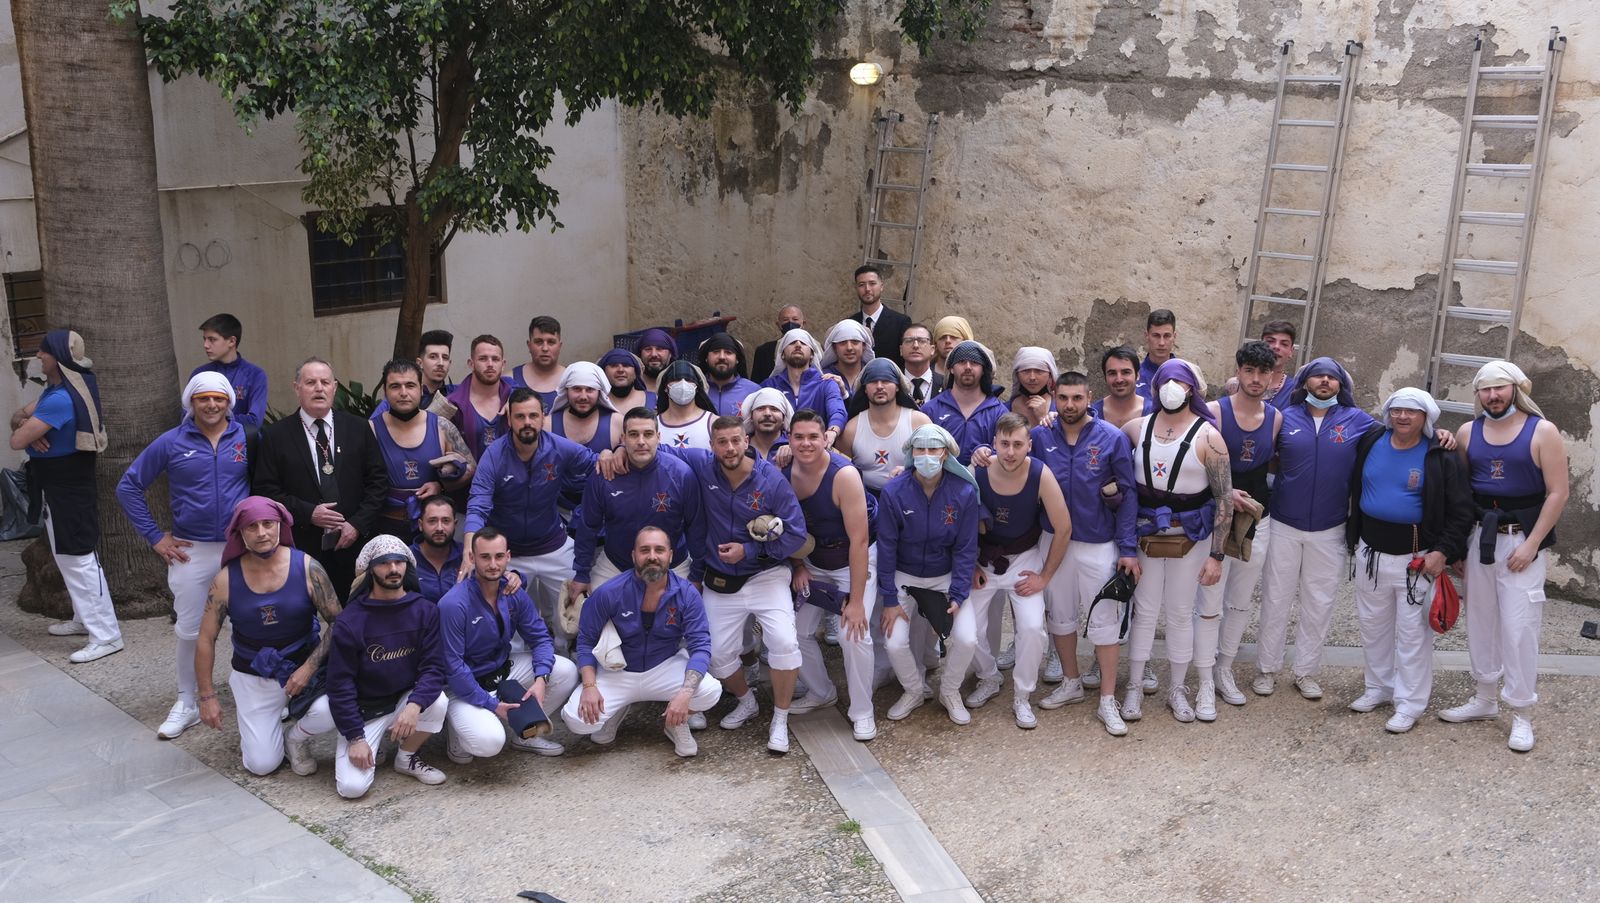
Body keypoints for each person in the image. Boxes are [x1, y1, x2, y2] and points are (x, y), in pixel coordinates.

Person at [1441, 361, 1569, 752]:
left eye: (1500, 388)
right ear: (1477, 395)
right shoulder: (1468, 431)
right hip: (1480, 539)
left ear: (1515, 389)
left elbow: (1557, 492)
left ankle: (1522, 713)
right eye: (1485, 390)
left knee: (1519, 628)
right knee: (1481, 620)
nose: (1493, 396)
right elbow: (1460, 492)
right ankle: (1484, 698)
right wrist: (1457, 548)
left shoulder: (1542, 431)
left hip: (1521, 542)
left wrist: (1531, 546)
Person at [116, 372, 251, 738]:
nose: (211, 405)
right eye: (203, 398)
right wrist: (155, 537)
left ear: (228, 403)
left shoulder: (247, 437)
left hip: (242, 548)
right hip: (192, 552)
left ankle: (252, 696)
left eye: (219, 399)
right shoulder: (171, 442)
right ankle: (187, 701)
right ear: (192, 402)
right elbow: (128, 486)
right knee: (191, 630)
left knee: (250, 624)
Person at [1345, 389, 1473, 734]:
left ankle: (1410, 703)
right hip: (1370, 553)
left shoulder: (1440, 454)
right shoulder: (1371, 440)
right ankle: (1379, 688)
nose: (1403, 417)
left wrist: (1443, 552)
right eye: (1397, 410)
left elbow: (1461, 511)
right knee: (1373, 627)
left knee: (1413, 635)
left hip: (1417, 560)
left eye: (1411, 412)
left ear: (1427, 417)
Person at [1254, 357, 1382, 700]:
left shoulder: (1358, 421)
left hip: (1330, 528)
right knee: (1275, 599)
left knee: (1319, 602)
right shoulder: (1283, 417)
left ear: (1342, 385)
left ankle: (1306, 671)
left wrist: (1439, 433)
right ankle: (1267, 668)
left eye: (1332, 377)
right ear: (1304, 382)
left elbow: (1401, 436)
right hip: (1283, 523)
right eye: (1317, 376)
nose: (1324, 381)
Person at [684, 416, 809, 753]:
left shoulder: (770, 480)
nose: (730, 448)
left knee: (783, 642)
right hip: (720, 579)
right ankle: (747, 702)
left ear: (746, 439)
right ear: (711, 446)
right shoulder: (701, 465)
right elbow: (659, 449)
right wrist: (617, 451)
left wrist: (750, 550)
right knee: (717, 653)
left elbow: (796, 535)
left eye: (736, 440)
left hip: (766, 574)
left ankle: (780, 719)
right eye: (722, 442)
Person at [289, 536, 450, 797]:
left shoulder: (425, 611)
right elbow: (340, 684)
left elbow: (433, 668)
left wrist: (414, 705)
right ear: (369, 569)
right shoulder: (350, 620)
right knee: (351, 789)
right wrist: (355, 738)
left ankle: (406, 757)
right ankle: (296, 738)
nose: (394, 569)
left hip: (402, 702)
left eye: (400, 562)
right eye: (384, 563)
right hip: (363, 710)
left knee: (438, 701)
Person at [196, 497, 342, 776]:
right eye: (252, 526)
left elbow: (339, 622)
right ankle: (265, 727)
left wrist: (309, 668)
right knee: (262, 765)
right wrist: (206, 697)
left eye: (268, 524)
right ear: (239, 533)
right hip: (254, 674)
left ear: (281, 526)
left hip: (304, 671)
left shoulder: (309, 568)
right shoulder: (225, 580)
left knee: (332, 709)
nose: (261, 532)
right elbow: (205, 638)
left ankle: (295, 737)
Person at [1121, 359, 1232, 724]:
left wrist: (1216, 554)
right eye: (1165, 380)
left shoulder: (1210, 437)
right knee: (1145, 612)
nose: (1172, 387)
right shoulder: (1135, 429)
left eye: (1180, 382)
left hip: (1192, 537)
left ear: (1192, 389)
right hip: (1145, 534)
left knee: (1182, 613)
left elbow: (1224, 500)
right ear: (1155, 388)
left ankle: (1177, 689)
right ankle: (1134, 687)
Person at [1030, 372, 1139, 736]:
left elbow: (1128, 496)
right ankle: (1071, 681)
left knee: (1105, 620)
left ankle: (1108, 698)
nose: (1070, 405)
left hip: (1098, 543)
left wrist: (1127, 548)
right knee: (1060, 615)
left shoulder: (1112, 438)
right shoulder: (1039, 437)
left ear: (1090, 397)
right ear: (1053, 398)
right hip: (1053, 542)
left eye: (1077, 398)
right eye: (1063, 398)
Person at [562, 527, 722, 757]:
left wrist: (685, 695)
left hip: (663, 666)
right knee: (576, 720)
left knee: (710, 691)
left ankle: (674, 720)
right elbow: (585, 642)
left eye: (659, 550)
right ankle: (617, 709)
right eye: (644, 550)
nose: (652, 556)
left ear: (670, 555)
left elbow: (700, 646)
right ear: (634, 556)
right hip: (618, 671)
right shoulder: (609, 592)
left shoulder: (687, 594)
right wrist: (589, 686)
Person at [11, 330, 120, 661]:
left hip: (68, 486)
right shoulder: (56, 390)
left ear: (57, 357)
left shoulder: (59, 399)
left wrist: (28, 435)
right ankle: (84, 619)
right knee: (65, 555)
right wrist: (28, 431)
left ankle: (107, 635)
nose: (38, 358)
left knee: (80, 559)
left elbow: (15, 440)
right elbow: (18, 418)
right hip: (56, 484)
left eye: (42, 353)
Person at [462, 388, 597, 653]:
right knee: (511, 624)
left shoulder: (558, 447)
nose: (527, 422)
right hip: (510, 554)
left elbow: (594, 463)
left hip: (552, 545)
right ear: (509, 419)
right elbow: (478, 502)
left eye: (533, 416)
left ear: (543, 418)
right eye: (520, 416)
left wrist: (606, 455)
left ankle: (567, 663)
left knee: (573, 613)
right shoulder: (495, 455)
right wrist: (469, 546)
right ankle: (518, 673)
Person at [963, 413, 1071, 729]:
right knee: (968, 631)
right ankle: (988, 676)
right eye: (1005, 444)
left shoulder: (1040, 473)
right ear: (994, 443)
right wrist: (969, 565)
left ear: (1029, 445)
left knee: (1033, 628)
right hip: (984, 560)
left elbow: (1063, 528)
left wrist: (1045, 576)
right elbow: (961, 525)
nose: (1010, 452)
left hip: (1025, 559)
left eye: (1018, 444)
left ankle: (1022, 696)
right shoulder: (978, 470)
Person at [438, 527, 579, 762]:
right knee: (489, 743)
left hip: (502, 669)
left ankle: (526, 735)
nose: (493, 564)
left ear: (508, 557)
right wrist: (492, 705)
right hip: (462, 685)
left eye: (499, 556)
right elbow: (453, 666)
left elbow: (540, 638)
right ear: (472, 558)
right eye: (485, 557)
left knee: (565, 671)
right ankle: (459, 735)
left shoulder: (513, 591)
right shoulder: (453, 604)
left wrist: (540, 679)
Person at [252, 357, 387, 601]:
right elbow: (265, 491)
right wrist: (308, 512)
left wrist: (356, 524)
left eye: (325, 382)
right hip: (302, 546)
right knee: (304, 618)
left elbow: (378, 482)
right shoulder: (276, 436)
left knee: (355, 618)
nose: (319, 388)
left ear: (334, 387)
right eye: (310, 382)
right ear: (297, 388)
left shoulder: (358, 428)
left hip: (353, 545)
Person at [1195, 341, 1283, 716]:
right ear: (1239, 371)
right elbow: (1195, 462)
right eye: (1249, 370)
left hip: (1256, 519)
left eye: (1264, 372)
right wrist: (1225, 490)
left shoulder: (1276, 418)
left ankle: (1224, 669)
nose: (1256, 379)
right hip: (1217, 514)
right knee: (1209, 598)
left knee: (1240, 599)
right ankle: (1201, 679)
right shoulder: (1215, 411)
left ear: (1273, 376)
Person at [876, 424, 984, 723]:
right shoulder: (894, 491)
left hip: (945, 576)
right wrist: (888, 598)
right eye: (919, 450)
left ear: (945, 454)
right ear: (911, 453)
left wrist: (960, 593)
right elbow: (886, 547)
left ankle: (949, 691)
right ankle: (913, 690)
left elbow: (965, 547)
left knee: (966, 638)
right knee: (894, 642)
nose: (926, 456)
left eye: (932, 450)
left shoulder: (962, 491)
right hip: (904, 576)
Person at [784, 410, 879, 740]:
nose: (806, 443)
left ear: (826, 438)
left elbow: (860, 540)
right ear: (789, 438)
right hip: (812, 562)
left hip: (853, 560)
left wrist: (855, 601)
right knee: (793, 632)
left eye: (814, 436)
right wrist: (798, 567)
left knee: (854, 633)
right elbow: (785, 530)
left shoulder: (844, 475)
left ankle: (863, 710)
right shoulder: (783, 471)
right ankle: (822, 691)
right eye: (799, 437)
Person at [572, 407, 702, 595]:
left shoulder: (682, 475)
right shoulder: (604, 474)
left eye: (648, 434)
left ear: (658, 437)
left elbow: (696, 527)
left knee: (685, 619)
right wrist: (581, 573)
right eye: (634, 434)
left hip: (674, 565)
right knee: (592, 616)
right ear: (623, 439)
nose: (641, 442)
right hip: (615, 564)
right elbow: (588, 526)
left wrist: (697, 575)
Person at [370, 359, 475, 538]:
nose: (403, 393)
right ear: (385, 392)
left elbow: (471, 467)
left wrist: (441, 485)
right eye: (395, 386)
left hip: (435, 530)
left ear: (420, 388)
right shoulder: (371, 430)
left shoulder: (442, 427)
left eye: (410, 385)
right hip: (385, 528)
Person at [843, 358, 931, 494]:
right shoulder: (851, 429)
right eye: (873, 382)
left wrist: (912, 470)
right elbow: (841, 470)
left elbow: (935, 462)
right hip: (866, 502)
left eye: (886, 381)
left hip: (910, 496)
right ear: (865, 389)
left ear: (897, 386)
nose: (879, 386)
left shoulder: (919, 422)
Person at [922, 340, 1006, 466]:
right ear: (951, 369)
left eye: (974, 362)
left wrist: (990, 452)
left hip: (982, 483)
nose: (968, 367)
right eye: (961, 362)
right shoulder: (930, 410)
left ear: (983, 370)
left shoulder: (999, 412)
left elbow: (1009, 453)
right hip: (940, 484)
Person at [761, 327, 846, 439]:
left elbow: (837, 410)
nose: (798, 345)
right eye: (791, 342)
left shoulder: (826, 384)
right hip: (777, 450)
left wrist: (832, 431)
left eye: (804, 343)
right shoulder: (769, 386)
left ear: (812, 355)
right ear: (782, 354)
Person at [190, 313, 269, 434]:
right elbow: (188, 418)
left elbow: (254, 421)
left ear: (232, 341)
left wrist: (210, 419)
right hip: (204, 445)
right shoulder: (199, 374)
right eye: (204, 339)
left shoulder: (255, 375)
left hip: (242, 446)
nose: (205, 345)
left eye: (212, 339)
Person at [445, 335, 515, 460]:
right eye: (483, 359)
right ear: (471, 364)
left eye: (495, 359)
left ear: (503, 364)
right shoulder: (453, 405)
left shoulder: (515, 397)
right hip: (471, 478)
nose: (490, 364)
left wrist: (516, 398)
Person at [550, 362, 623, 455]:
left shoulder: (618, 423)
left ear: (599, 393)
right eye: (577, 389)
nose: (583, 396)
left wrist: (623, 449)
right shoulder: (548, 425)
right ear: (566, 391)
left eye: (590, 389)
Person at [1222, 320, 1297, 409]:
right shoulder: (1234, 385)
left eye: (1284, 344)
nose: (1276, 347)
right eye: (1270, 341)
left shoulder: (1294, 391)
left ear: (1291, 351)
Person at [848, 265, 912, 367]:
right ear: (856, 288)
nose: (867, 289)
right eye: (861, 285)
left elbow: (906, 360)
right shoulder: (850, 323)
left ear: (882, 286)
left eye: (872, 283)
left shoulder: (901, 322)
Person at [656, 359, 719, 452]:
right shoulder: (653, 424)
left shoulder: (714, 422)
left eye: (689, 380)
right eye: (675, 379)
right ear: (665, 388)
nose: (682, 384)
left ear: (697, 387)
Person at [412, 496, 465, 603]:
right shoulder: (405, 559)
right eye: (432, 521)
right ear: (421, 525)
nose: (439, 528)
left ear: (455, 525)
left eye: (446, 521)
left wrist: (509, 576)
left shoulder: (468, 556)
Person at [508, 315, 563, 412]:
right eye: (539, 342)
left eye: (551, 342)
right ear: (529, 345)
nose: (545, 348)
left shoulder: (573, 381)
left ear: (559, 346)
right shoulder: (509, 380)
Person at [699, 333, 760, 418]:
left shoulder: (753, 391)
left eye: (728, 352)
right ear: (706, 358)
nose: (722, 357)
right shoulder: (696, 390)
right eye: (716, 352)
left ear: (737, 359)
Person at [1091, 346, 1153, 426]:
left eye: (1126, 372)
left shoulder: (1153, 413)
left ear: (1137, 375)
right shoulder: (1093, 415)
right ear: (1105, 377)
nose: (1119, 380)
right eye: (1112, 373)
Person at [820, 319, 876, 400]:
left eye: (855, 342)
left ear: (864, 346)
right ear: (834, 348)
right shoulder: (823, 376)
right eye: (843, 342)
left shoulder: (873, 376)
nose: (849, 348)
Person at [752, 305, 806, 385]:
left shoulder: (814, 348)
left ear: (803, 324)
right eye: (785, 320)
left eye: (795, 319)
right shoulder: (764, 350)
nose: (790, 322)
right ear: (778, 324)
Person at [1009, 347, 1058, 428]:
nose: (1032, 377)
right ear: (1017, 375)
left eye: (1039, 371)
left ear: (1050, 375)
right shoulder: (1003, 410)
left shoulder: (1062, 410)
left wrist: (1043, 418)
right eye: (1025, 371)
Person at [742, 387, 793, 462]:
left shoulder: (794, 447)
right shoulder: (739, 447)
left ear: (783, 418)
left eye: (774, 409)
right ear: (751, 417)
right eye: (760, 408)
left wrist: (795, 450)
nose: (767, 414)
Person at [600, 347, 656, 413]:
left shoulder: (655, 401)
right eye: (614, 365)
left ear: (636, 373)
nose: (620, 370)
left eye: (626, 365)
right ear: (603, 372)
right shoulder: (596, 403)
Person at [898, 323, 943, 405]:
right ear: (901, 350)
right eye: (909, 341)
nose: (915, 346)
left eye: (922, 341)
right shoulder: (893, 383)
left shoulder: (946, 384)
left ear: (932, 349)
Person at [1136, 309, 1177, 399]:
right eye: (1156, 335)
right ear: (1147, 336)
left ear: (1174, 337)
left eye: (1167, 336)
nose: (1161, 343)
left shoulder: (1186, 375)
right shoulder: (1134, 377)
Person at [416, 329, 456, 409]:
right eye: (433, 357)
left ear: (449, 363)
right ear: (420, 363)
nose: (441, 363)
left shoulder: (458, 394)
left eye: (445, 358)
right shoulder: (405, 394)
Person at [930, 316, 973, 381]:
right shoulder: (923, 374)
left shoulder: (976, 375)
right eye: (942, 337)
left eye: (954, 336)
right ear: (935, 343)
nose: (948, 341)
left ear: (965, 340)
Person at [636, 328, 678, 393]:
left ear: (670, 354)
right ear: (640, 354)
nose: (654, 354)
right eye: (648, 349)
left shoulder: (679, 386)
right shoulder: (632, 385)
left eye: (659, 349)